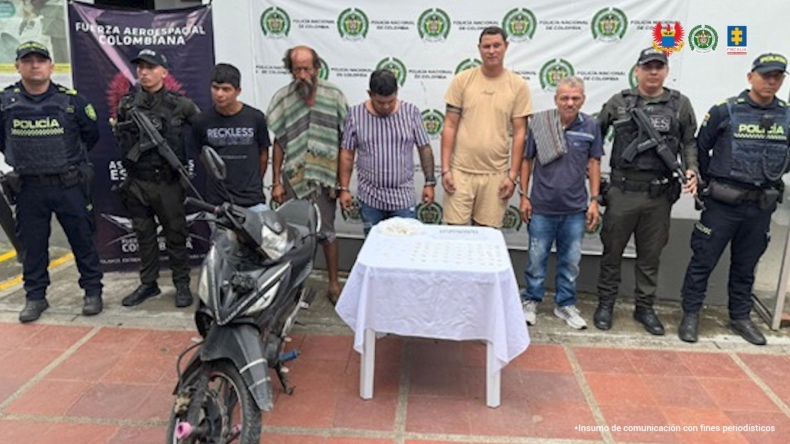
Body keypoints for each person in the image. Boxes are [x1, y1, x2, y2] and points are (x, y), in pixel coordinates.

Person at [678, 53, 790, 346]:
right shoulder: (724, 111)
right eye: (766, 75)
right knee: (702, 261)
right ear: (751, 77)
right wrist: (705, 185)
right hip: (722, 205)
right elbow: (700, 149)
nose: (771, 81)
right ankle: (690, 314)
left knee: (746, 266)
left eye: (777, 76)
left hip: (760, 206)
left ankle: (740, 317)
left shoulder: (787, 115)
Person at [594, 48, 699, 335]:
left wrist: (691, 169)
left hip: (659, 195)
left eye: (658, 67)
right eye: (648, 67)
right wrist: (592, 178)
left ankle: (644, 307)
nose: (653, 72)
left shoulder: (680, 104)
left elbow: (689, 142)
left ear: (666, 71)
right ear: (637, 70)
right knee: (612, 252)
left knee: (650, 256)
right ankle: (605, 303)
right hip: (622, 191)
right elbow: (595, 137)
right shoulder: (619, 102)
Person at [0, 41, 103, 322]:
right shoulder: (5, 103)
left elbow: (91, 135)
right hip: (28, 187)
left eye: (40, 60)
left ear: (51, 66)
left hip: (68, 184)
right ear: (18, 66)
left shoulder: (73, 102)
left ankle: (92, 291)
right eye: (28, 60)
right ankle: (35, 297)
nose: (35, 65)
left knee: (82, 240)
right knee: (32, 247)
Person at [113, 48, 199, 308]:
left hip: (167, 182)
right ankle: (148, 284)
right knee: (143, 235)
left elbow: (201, 131)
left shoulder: (180, 104)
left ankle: (181, 284)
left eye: (150, 67)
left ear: (164, 72)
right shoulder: (127, 104)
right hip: (137, 182)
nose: (144, 72)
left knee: (176, 234)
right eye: (140, 68)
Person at [519, 76, 603, 330]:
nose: (570, 103)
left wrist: (594, 200)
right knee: (536, 260)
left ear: (583, 100)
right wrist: (523, 196)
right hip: (542, 207)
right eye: (564, 98)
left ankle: (565, 304)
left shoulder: (591, 126)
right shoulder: (541, 123)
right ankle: (531, 300)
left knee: (570, 262)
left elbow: (594, 163)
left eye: (575, 98)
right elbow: (527, 160)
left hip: (575, 209)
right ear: (556, 99)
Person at [267, 45, 348, 304]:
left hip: (325, 178)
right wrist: (276, 182)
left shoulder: (334, 96)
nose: (302, 75)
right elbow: (279, 142)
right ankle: (292, 285)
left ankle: (333, 283)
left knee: (327, 233)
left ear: (317, 68)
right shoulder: (283, 99)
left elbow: (346, 142)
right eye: (297, 70)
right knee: (293, 234)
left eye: (307, 69)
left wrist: (343, 183)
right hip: (294, 177)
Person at [441, 26, 531, 227]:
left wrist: (512, 176)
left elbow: (520, 133)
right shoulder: (463, 80)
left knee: (485, 237)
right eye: (486, 46)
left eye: (496, 46)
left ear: (506, 46)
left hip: (496, 176)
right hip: (460, 172)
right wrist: (446, 170)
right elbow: (449, 126)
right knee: (455, 235)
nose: (491, 51)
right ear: (479, 49)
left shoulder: (518, 86)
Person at [338, 69, 435, 235]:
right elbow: (347, 154)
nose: (386, 106)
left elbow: (424, 148)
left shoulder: (411, 113)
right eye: (380, 102)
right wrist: (344, 188)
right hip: (370, 198)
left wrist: (429, 182)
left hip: (403, 197)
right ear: (370, 94)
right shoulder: (355, 115)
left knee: (404, 246)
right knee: (373, 245)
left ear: (397, 92)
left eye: (391, 101)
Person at [194, 63, 270, 211]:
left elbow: (264, 154)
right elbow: (202, 156)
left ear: (238, 91)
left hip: (252, 200)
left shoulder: (255, 117)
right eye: (215, 88)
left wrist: (253, 182)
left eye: (226, 89)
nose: (219, 94)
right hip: (218, 202)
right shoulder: (201, 121)